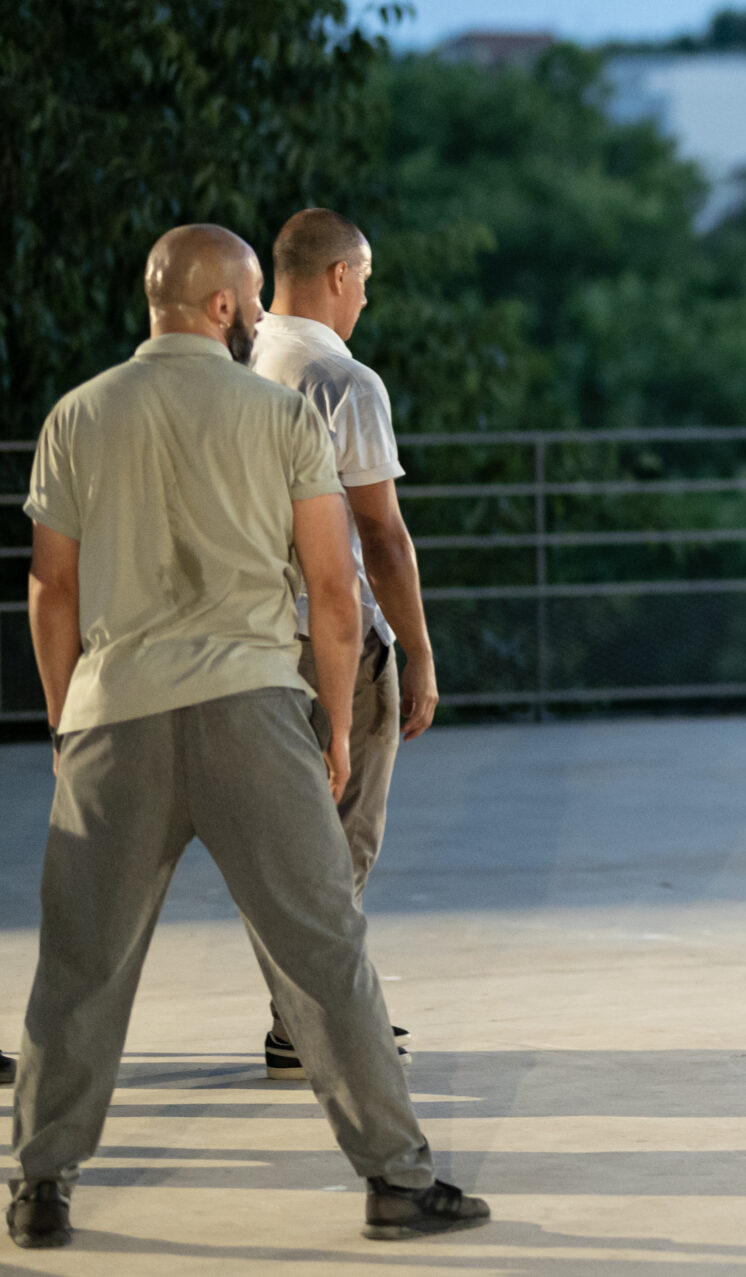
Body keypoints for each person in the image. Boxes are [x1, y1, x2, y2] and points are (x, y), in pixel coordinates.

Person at [10, 224, 487, 1248]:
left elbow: (50, 586)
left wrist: (64, 716)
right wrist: (335, 724)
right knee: (324, 949)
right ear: (222, 304)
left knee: (80, 962)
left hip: (114, 714)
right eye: (255, 300)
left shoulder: (77, 415)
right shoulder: (281, 416)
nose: (264, 316)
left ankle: (42, 1185)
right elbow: (333, 590)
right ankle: (397, 1182)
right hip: (252, 707)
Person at [250, 208, 436, 1082]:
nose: (366, 295)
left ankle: (301, 1017)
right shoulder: (339, 379)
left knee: (281, 844)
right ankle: (318, 1024)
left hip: (248, 637)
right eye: (365, 278)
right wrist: (418, 651)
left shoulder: (240, 357)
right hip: (331, 637)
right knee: (340, 842)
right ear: (337, 275)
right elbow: (382, 536)